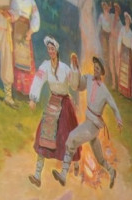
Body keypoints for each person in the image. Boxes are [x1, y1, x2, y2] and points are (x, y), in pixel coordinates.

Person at [52, 56, 122, 188]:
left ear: (101, 72)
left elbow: (113, 105)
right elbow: (78, 85)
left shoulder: (104, 90)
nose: (95, 70)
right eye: (95, 67)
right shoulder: (89, 79)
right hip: (89, 122)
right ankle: (112, 172)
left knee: (72, 137)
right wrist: (76, 68)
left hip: (93, 126)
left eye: (98, 69)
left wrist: (119, 120)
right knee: (99, 158)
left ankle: (63, 175)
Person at [27, 36, 82, 187]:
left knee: (67, 136)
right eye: (49, 49)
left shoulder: (64, 68)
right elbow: (38, 80)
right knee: (43, 135)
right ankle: (37, 175)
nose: (50, 51)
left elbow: (74, 85)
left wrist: (75, 69)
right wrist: (33, 98)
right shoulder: (45, 66)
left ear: (57, 50)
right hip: (53, 103)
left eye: (52, 49)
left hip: (65, 105)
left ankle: (67, 170)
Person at [11, 0, 40, 95]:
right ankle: (13, 87)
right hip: (13, 29)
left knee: (25, 59)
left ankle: (26, 89)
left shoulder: (31, 2)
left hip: (25, 30)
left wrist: (30, 31)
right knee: (13, 57)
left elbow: (35, 16)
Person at [116, 11, 132, 98]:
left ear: (130, 22)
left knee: (127, 72)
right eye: (126, 19)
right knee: (122, 70)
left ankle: (127, 93)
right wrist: (119, 50)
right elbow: (119, 40)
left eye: (128, 20)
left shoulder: (131, 33)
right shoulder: (122, 29)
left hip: (128, 53)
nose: (127, 21)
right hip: (123, 51)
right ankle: (121, 91)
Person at [0, 7, 16, 106]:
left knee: (7, 61)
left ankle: (8, 96)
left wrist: (9, 14)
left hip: (5, 28)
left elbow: (16, 9)